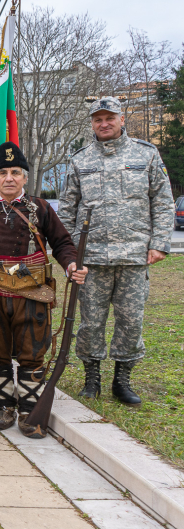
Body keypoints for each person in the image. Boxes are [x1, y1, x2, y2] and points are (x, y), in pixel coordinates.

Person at [0, 142, 87, 438]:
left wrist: (72, 265)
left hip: (32, 294)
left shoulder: (42, 208)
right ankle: (2, 408)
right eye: (3, 173)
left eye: (15, 173)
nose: (9, 178)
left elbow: (62, 243)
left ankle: (29, 411)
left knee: (32, 353)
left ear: (24, 177)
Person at [58, 97, 174, 406]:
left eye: (110, 118)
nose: (104, 123)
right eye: (98, 119)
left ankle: (122, 380)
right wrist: (69, 254)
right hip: (91, 257)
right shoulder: (80, 160)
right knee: (90, 321)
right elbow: (67, 209)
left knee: (130, 320)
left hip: (134, 255)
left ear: (121, 120)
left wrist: (159, 243)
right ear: (92, 123)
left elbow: (162, 202)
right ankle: (91, 377)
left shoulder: (146, 154)